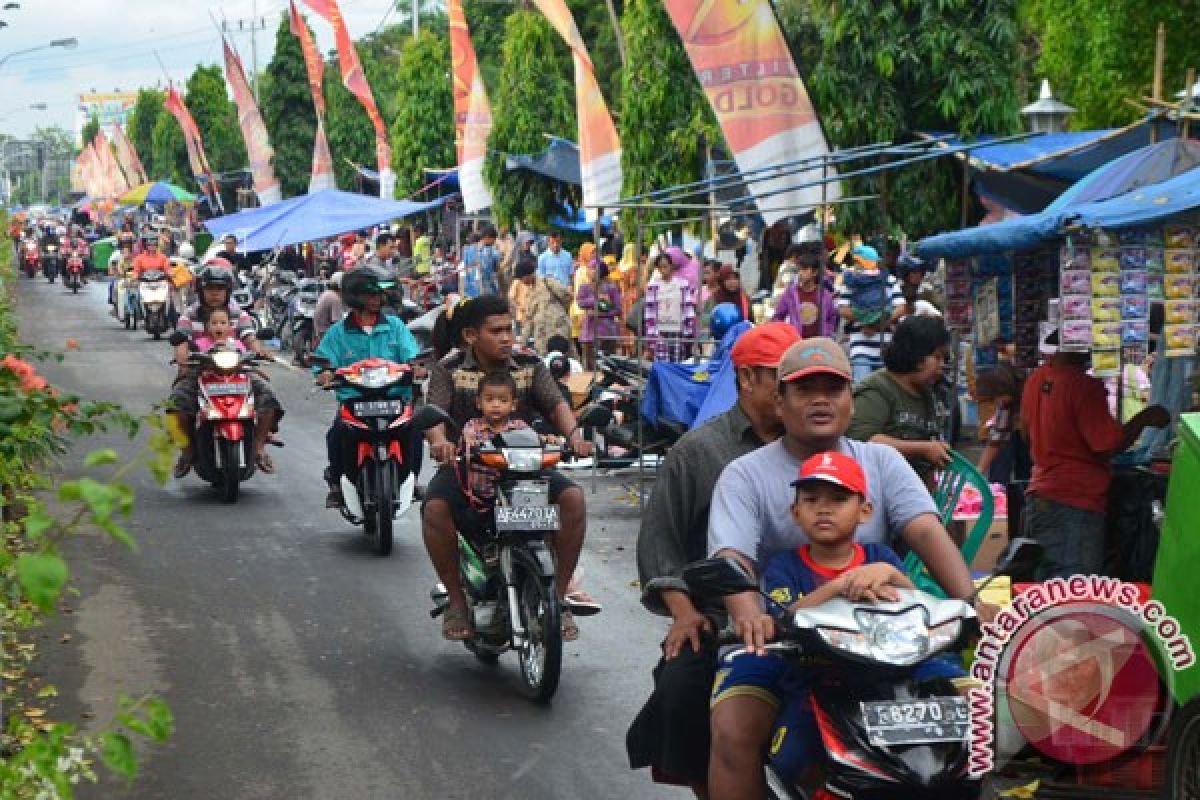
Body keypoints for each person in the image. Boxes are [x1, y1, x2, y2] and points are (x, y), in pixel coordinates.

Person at [705, 337, 984, 800]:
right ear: (780, 400)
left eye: (832, 389)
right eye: (804, 389)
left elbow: (925, 531)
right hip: (784, 640)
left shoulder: (881, 460)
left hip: (890, 642)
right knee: (734, 729)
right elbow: (732, 557)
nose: (820, 400)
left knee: (978, 713)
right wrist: (749, 617)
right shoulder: (744, 474)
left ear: (851, 400)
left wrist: (972, 604)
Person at [710, 450, 971, 789]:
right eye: (812, 499)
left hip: (902, 670)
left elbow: (916, 602)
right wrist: (838, 586)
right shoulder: (784, 567)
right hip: (818, 677)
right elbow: (788, 617)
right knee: (798, 753)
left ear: (865, 511)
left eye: (839, 498)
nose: (824, 508)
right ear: (795, 512)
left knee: (979, 712)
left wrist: (890, 573)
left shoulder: (880, 556)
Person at [627, 322, 801, 797]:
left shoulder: (815, 445)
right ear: (746, 379)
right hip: (723, 616)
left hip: (812, 607)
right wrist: (684, 613)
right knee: (682, 692)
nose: (796, 393)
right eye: (781, 380)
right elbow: (660, 542)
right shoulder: (699, 451)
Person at [421, 294, 597, 642]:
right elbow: (434, 413)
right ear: (471, 335)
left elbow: (556, 403)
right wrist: (440, 441)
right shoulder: (449, 367)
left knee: (573, 499)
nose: (506, 338)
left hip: (526, 467)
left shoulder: (530, 363)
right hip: (466, 468)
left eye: (509, 329)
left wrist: (575, 436)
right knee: (435, 508)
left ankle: (558, 599)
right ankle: (457, 603)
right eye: (496, 331)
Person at [1020, 339, 1169, 580]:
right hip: (1075, 499)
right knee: (1075, 587)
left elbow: (1026, 433)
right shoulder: (1082, 386)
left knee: (1050, 584)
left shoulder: (1036, 379)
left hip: (1041, 493)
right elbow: (1106, 444)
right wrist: (1144, 419)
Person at [314, 267, 420, 508]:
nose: (376, 300)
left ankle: (410, 481)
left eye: (379, 294)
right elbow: (323, 363)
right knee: (337, 433)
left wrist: (416, 367)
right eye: (370, 294)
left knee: (414, 431)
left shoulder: (395, 326)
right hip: (355, 401)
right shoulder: (338, 332)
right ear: (354, 296)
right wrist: (325, 374)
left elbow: (412, 355)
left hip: (394, 400)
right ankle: (337, 484)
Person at [168, 265, 283, 478]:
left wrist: (259, 352)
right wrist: (182, 358)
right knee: (176, 405)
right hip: (199, 370)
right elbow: (181, 341)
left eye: (220, 289)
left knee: (268, 396)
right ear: (201, 291)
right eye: (210, 288)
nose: (214, 293)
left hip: (237, 368)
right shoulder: (189, 314)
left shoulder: (239, 313)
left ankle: (258, 447)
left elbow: (249, 337)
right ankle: (187, 452)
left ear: (228, 291)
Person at [845, 315, 952, 486]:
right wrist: (923, 449)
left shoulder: (926, 395)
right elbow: (861, 441)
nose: (941, 365)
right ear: (917, 355)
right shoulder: (878, 389)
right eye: (937, 357)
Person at [458, 371, 535, 506]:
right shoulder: (473, 426)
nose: (496, 405)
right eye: (489, 400)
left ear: (513, 405)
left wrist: (548, 440)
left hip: (515, 490)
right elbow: (467, 436)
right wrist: (469, 441)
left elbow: (534, 439)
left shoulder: (519, 427)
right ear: (478, 403)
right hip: (479, 495)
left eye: (503, 400)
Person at [835, 244, 906, 382]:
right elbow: (842, 309)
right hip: (860, 346)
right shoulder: (851, 282)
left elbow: (901, 307)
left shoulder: (889, 280)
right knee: (862, 386)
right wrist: (866, 318)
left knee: (885, 387)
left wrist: (878, 323)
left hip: (886, 345)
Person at [772, 249, 838, 339]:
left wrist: (826, 332)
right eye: (799, 269)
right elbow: (778, 316)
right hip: (797, 343)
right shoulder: (791, 293)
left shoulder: (824, 295)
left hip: (819, 345)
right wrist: (787, 334)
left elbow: (832, 316)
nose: (800, 273)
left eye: (804, 269)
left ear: (814, 272)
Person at [645, 252, 697, 362]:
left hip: (678, 329)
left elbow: (688, 308)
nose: (663, 270)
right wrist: (651, 333)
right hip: (660, 330)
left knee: (677, 362)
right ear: (657, 268)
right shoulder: (653, 286)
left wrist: (690, 330)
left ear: (671, 266)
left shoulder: (683, 284)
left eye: (665, 266)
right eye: (660, 267)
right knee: (662, 362)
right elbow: (649, 311)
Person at [576, 259, 622, 369]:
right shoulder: (584, 288)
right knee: (590, 367)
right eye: (589, 268)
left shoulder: (611, 288)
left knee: (608, 365)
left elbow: (618, 309)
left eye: (593, 268)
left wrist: (600, 314)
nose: (591, 271)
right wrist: (596, 301)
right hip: (589, 333)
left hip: (607, 333)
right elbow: (580, 302)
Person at [526, 256, 574, 356]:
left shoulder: (547, 282)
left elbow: (567, 296)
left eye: (522, 278)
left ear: (529, 274)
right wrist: (523, 341)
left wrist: (559, 311)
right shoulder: (530, 292)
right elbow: (529, 318)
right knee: (546, 362)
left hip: (558, 329)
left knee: (566, 356)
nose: (522, 281)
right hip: (542, 336)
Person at [507, 256, 535, 341]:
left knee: (532, 338)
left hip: (533, 316)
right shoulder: (517, 282)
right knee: (521, 338)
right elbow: (511, 297)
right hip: (520, 316)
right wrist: (519, 307)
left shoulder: (536, 282)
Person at [313, 271, 345, 344]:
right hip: (326, 334)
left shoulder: (326, 293)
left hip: (320, 331)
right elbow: (337, 322)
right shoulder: (335, 299)